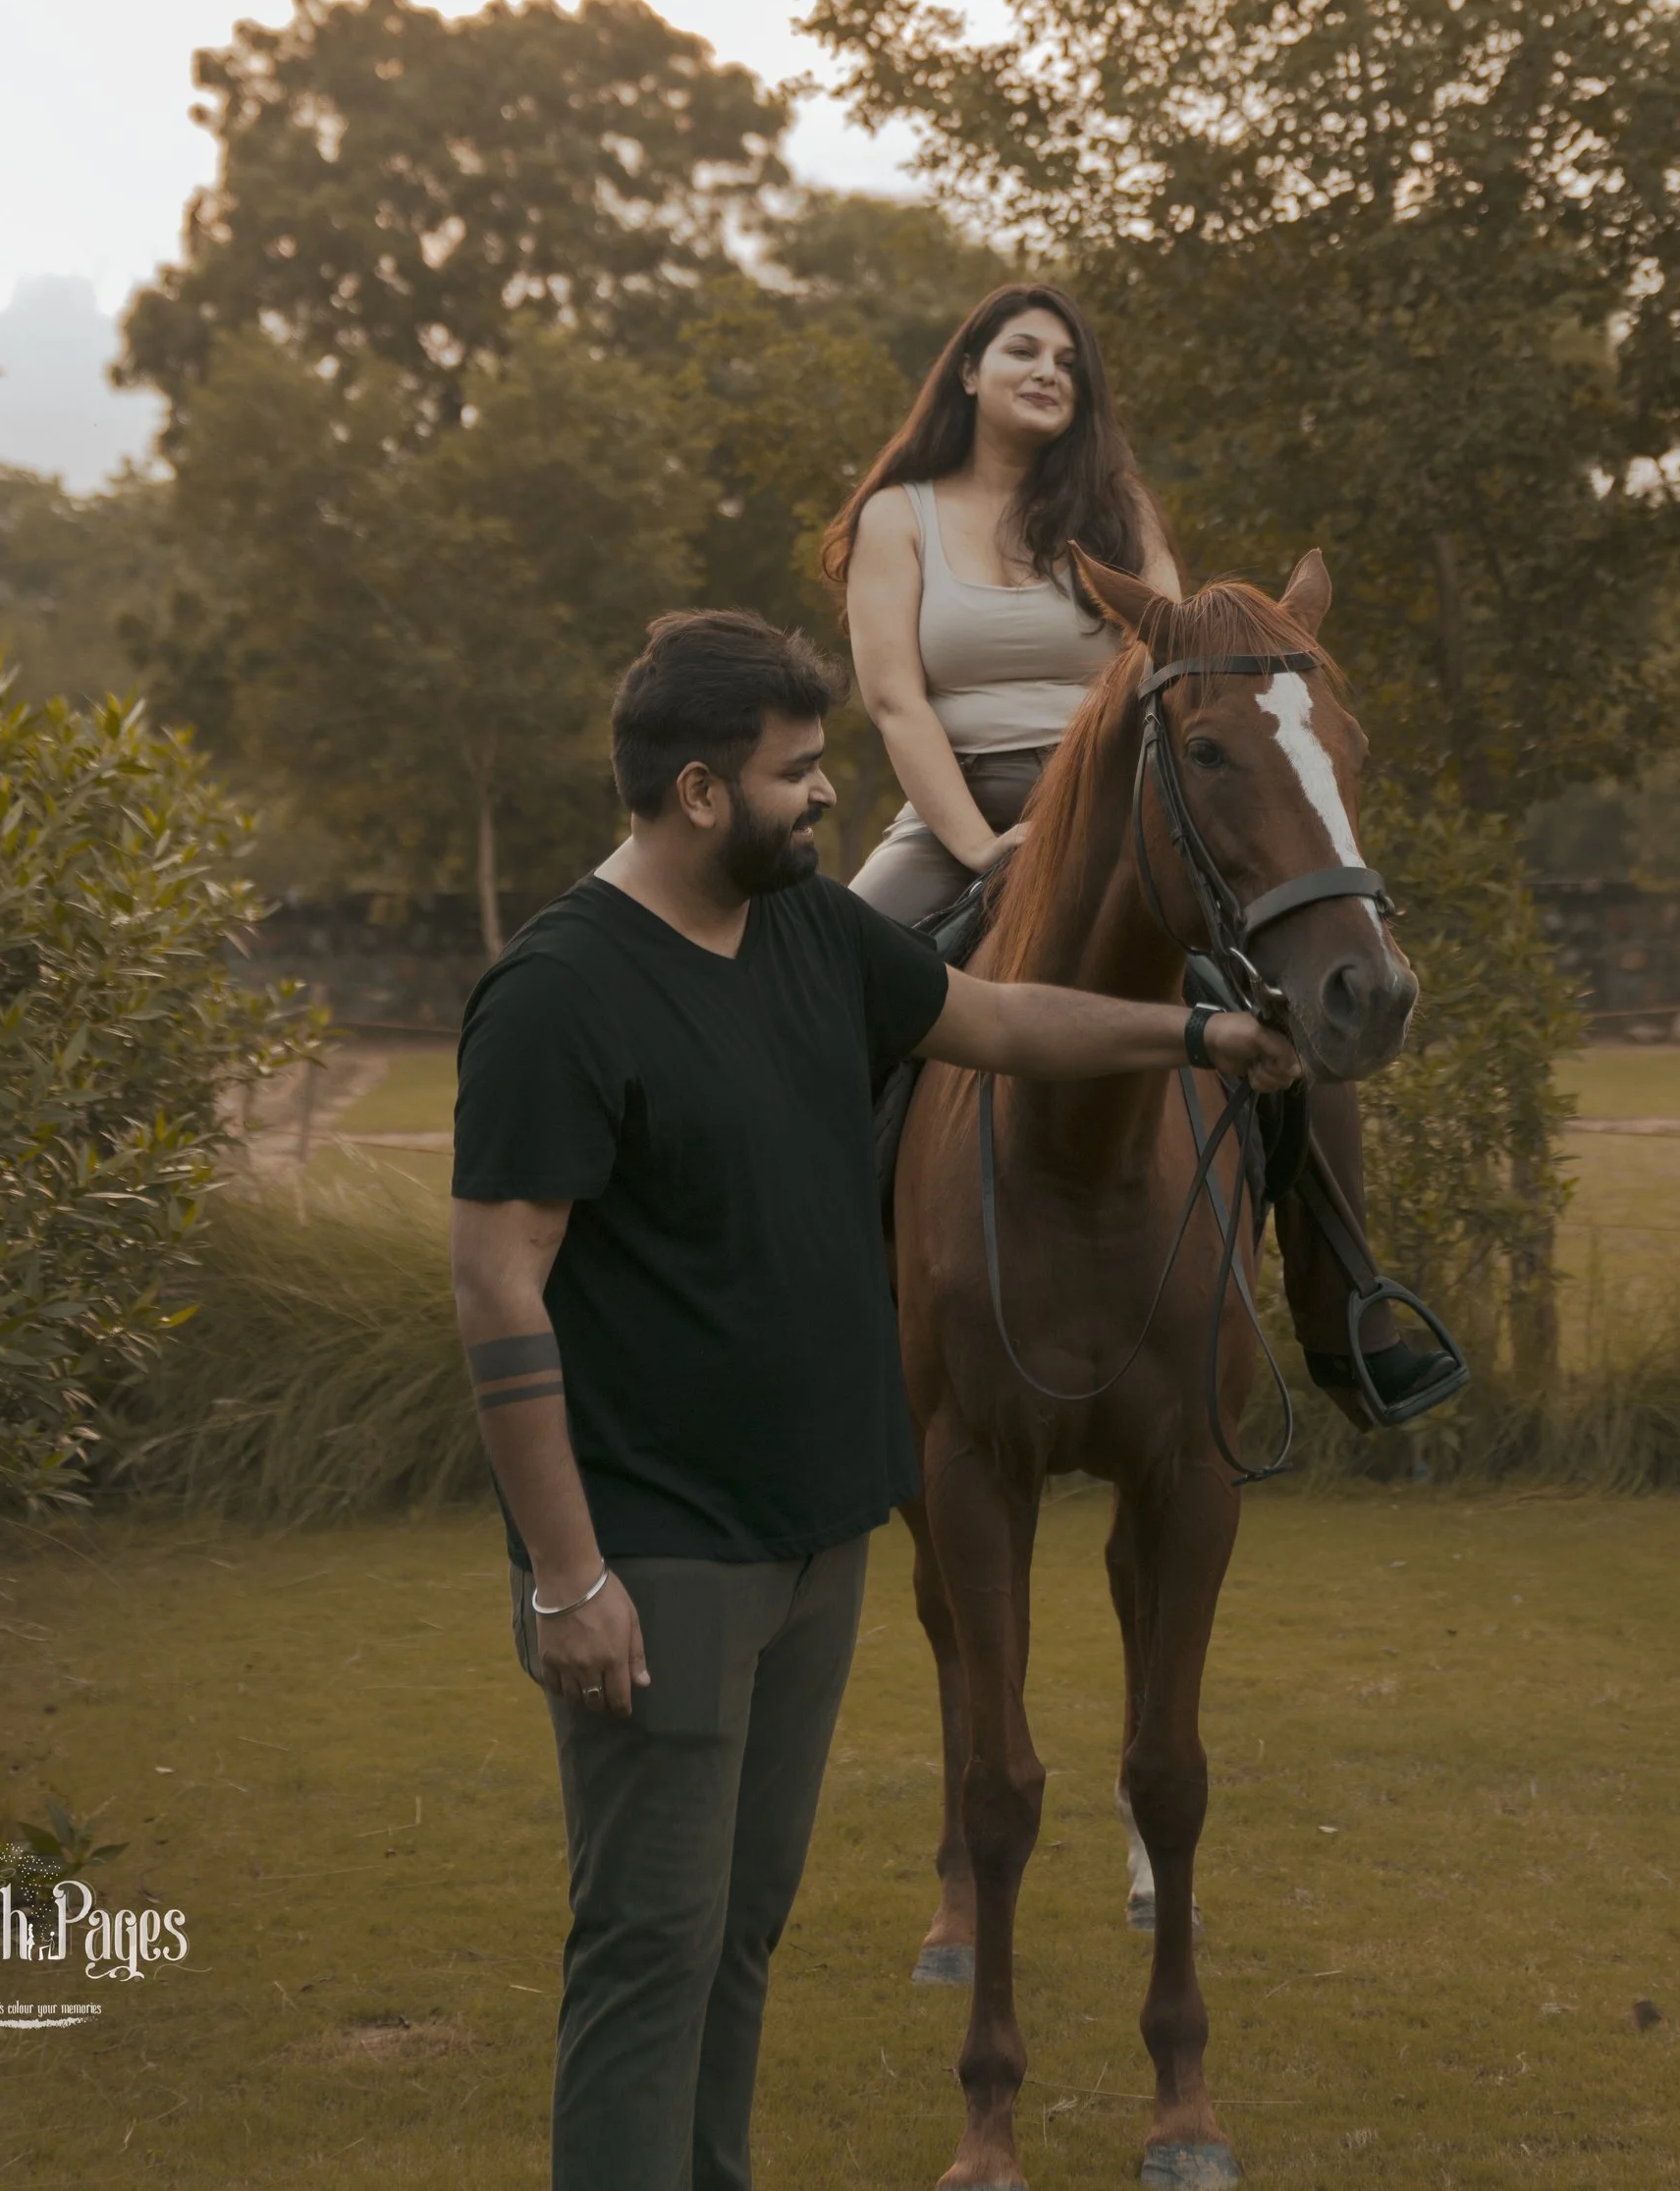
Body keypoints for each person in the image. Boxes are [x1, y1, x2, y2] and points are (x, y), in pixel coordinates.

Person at [450, 606, 1297, 2191]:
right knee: (650, 1946)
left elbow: (1001, 1019)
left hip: (814, 1536)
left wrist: (1198, 1030)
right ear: (701, 792)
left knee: (742, 1932)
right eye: (798, 770)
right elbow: (497, 1287)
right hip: (658, 1554)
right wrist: (568, 1574)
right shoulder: (556, 991)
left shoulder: (813, 939)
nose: (829, 793)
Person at [834, 276, 1438, 1423]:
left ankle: (1349, 1315)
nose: (1049, 369)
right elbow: (895, 701)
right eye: (1021, 349)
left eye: (1068, 358)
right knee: (814, 999)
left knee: (1292, 1012)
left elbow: (1178, 675)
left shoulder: (1120, 513)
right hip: (956, 813)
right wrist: (981, 844)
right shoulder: (897, 516)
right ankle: (818, 1315)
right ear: (968, 370)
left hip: (1126, 816)